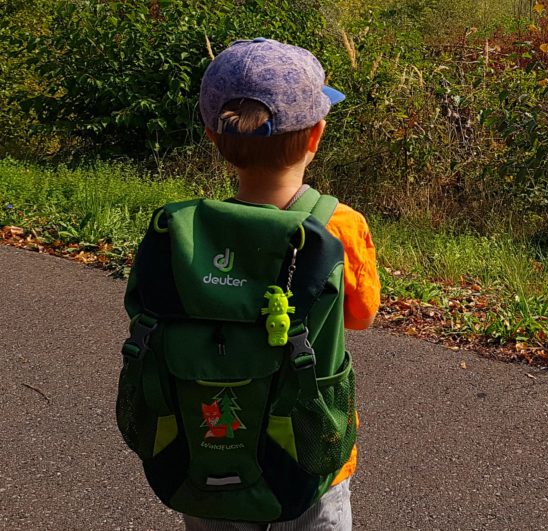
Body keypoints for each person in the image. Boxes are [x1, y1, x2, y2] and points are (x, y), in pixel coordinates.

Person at [121, 38, 380, 531]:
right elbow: (361, 316)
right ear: (315, 136)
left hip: (203, 453)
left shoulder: (181, 234)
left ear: (213, 137)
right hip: (308, 456)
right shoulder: (338, 226)